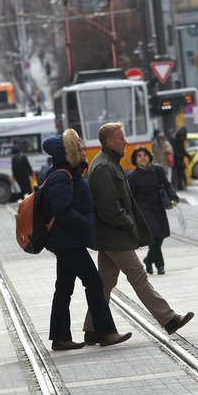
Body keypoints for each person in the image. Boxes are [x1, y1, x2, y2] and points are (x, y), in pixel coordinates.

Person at [82, 122, 194, 344]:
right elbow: (107, 206)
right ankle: (169, 319)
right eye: (121, 138)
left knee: (104, 283)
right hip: (114, 235)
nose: (125, 142)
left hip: (110, 234)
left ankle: (92, 329)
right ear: (109, 142)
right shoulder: (105, 167)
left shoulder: (109, 163)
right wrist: (128, 223)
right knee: (138, 276)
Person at [41, 129, 132, 350]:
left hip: (67, 240)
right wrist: (84, 223)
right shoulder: (61, 176)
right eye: (78, 149)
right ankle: (106, 332)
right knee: (94, 282)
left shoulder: (67, 173)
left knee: (64, 288)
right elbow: (62, 210)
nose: (83, 152)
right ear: (68, 154)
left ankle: (60, 337)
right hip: (67, 240)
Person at [127, 146, 179, 275]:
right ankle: (160, 266)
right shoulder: (132, 175)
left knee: (159, 238)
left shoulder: (158, 170)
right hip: (144, 212)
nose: (143, 157)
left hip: (158, 208)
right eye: (139, 156)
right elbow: (130, 196)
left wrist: (174, 197)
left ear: (149, 156)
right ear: (135, 159)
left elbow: (167, 185)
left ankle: (148, 260)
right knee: (154, 238)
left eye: (144, 155)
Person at [171, 126, 190, 191]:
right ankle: (177, 186)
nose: (183, 137)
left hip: (180, 160)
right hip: (175, 160)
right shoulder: (174, 140)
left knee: (181, 173)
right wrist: (181, 156)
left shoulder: (180, 140)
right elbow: (175, 151)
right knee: (176, 174)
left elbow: (182, 150)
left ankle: (180, 185)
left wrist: (187, 155)